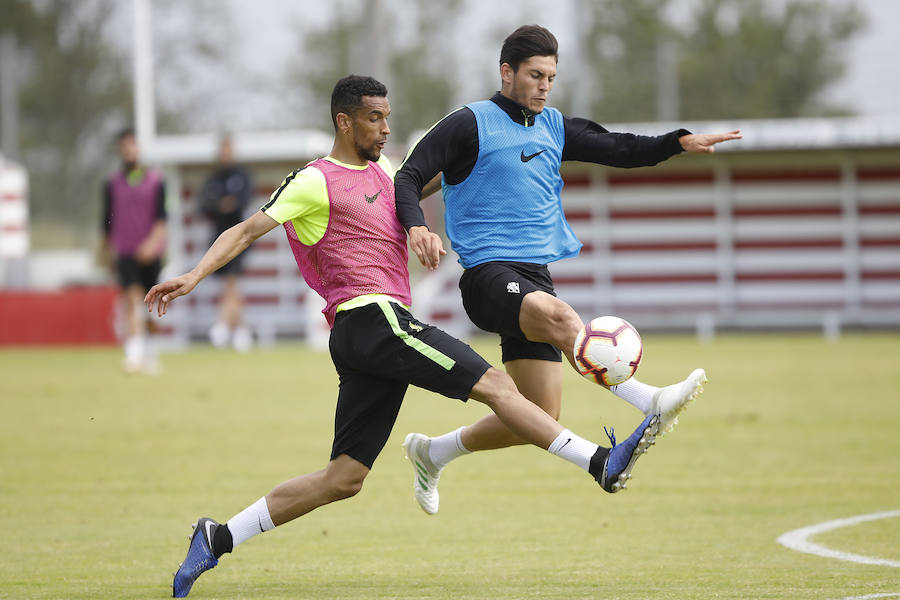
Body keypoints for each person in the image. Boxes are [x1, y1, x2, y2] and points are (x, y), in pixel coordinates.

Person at [146, 76, 665, 598]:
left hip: (369, 338)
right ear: (343, 121)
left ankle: (217, 536)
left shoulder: (386, 171)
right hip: (372, 319)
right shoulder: (313, 180)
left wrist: (447, 197)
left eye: (388, 116)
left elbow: (416, 187)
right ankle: (599, 462)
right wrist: (192, 276)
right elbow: (245, 230)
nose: (385, 127)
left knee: (344, 478)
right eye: (375, 118)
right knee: (498, 387)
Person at [394, 24, 741, 515]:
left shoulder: (553, 126)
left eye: (551, 78)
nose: (543, 85)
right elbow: (407, 176)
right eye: (535, 75)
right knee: (559, 318)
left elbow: (620, 148)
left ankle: (433, 452)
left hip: (534, 276)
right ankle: (648, 401)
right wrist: (416, 229)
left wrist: (678, 142)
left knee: (535, 415)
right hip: (487, 275)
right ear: (506, 72)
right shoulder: (470, 122)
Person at [102, 127, 167, 374]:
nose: (129, 150)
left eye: (133, 144)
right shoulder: (112, 183)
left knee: (150, 305)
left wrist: (152, 244)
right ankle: (134, 353)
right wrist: (107, 252)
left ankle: (150, 351)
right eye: (124, 145)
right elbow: (106, 222)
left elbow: (162, 219)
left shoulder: (156, 180)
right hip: (126, 250)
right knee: (131, 299)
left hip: (151, 252)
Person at [198, 134, 254, 351]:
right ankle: (240, 330)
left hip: (239, 236)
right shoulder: (213, 179)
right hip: (218, 237)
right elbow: (204, 204)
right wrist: (220, 204)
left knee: (232, 281)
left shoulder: (242, 175)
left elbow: (242, 200)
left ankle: (222, 325)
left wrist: (227, 204)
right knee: (229, 284)